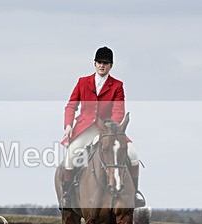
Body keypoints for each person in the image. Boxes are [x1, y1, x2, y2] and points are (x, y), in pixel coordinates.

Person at [61, 46, 145, 208]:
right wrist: (68, 125)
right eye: (99, 62)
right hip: (86, 128)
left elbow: (119, 110)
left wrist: (110, 129)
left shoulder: (117, 85)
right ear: (94, 64)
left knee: (133, 155)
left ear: (110, 66)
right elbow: (71, 106)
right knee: (71, 155)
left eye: (105, 63)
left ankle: (134, 193)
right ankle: (66, 194)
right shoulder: (82, 82)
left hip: (109, 130)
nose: (102, 65)